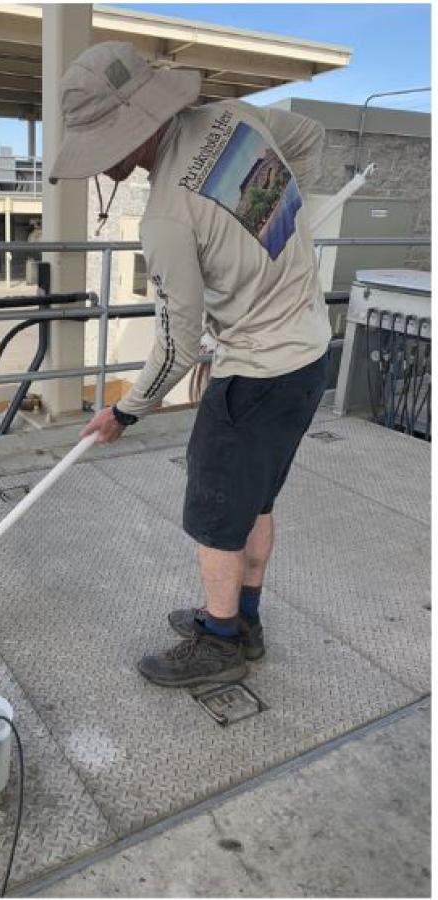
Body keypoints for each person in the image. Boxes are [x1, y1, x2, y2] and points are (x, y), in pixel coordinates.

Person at [50, 42, 331, 688]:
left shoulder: (166, 216)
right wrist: (283, 229)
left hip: (256, 375)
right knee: (255, 503)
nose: (103, 161)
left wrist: (125, 411)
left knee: (213, 516)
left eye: (103, 145)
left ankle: (221, 639)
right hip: (309, 355)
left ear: (133, 134)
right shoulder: (237, 119)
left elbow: (178, 345)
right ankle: (247, 622)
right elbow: (309, 139)